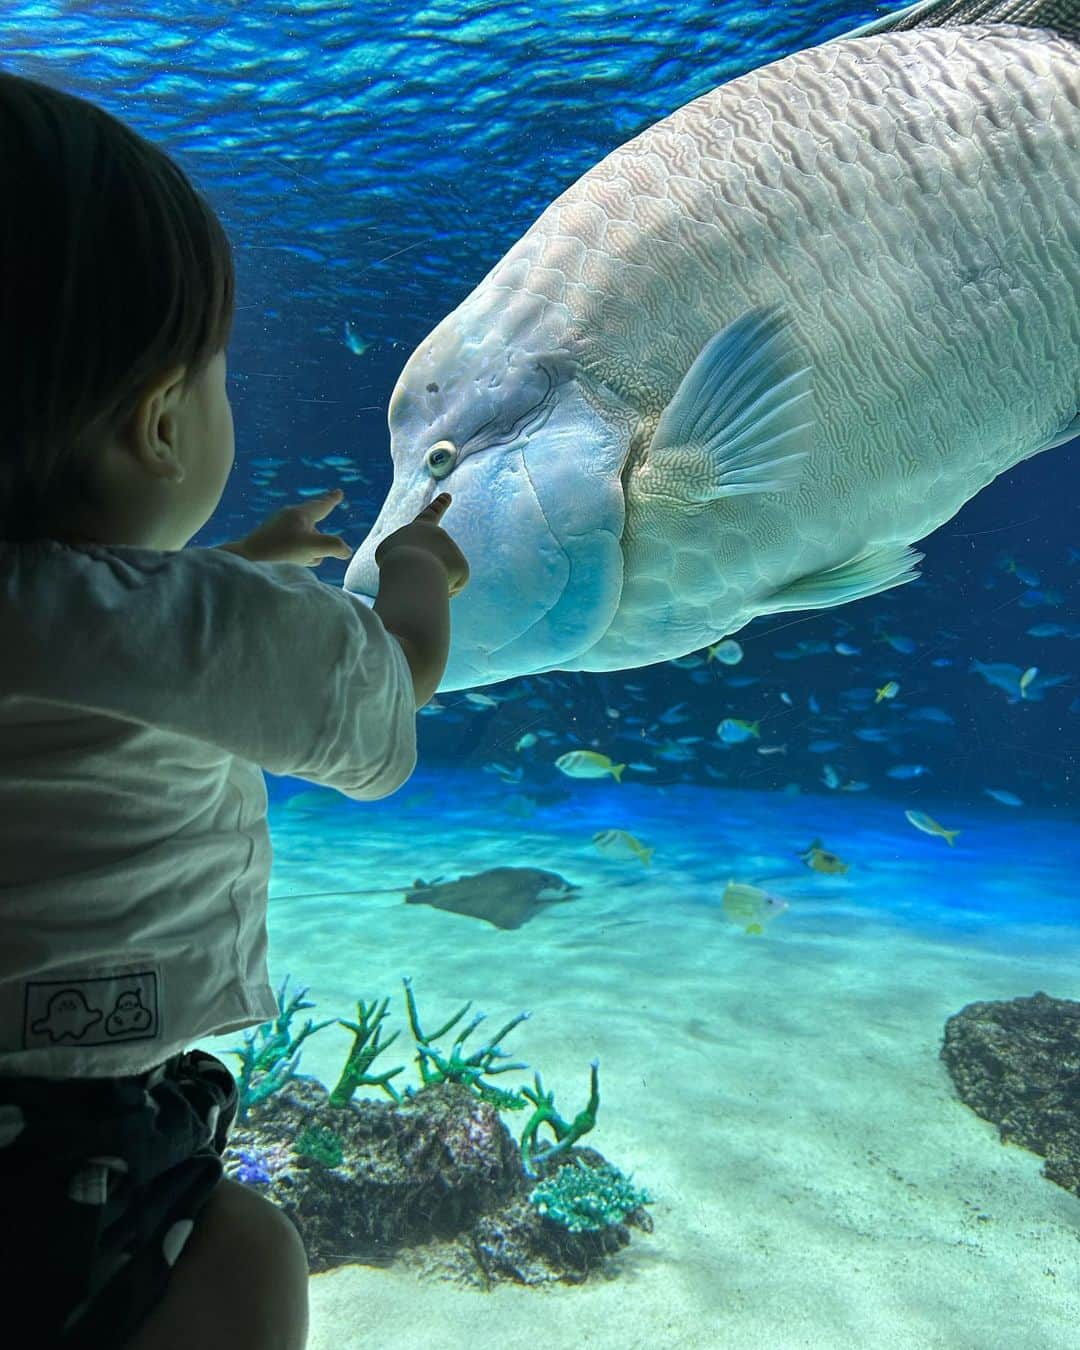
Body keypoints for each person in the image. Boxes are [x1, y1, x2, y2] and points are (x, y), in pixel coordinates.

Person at [0, 70, 469, 1350]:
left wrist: (236, 575)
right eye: (212, 376)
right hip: (71, 1143)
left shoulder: (201, 612)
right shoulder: (214, 628)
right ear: (160, 423)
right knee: (248, 1251)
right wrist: (416, 575)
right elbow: (389, 697)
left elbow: (100, 623)